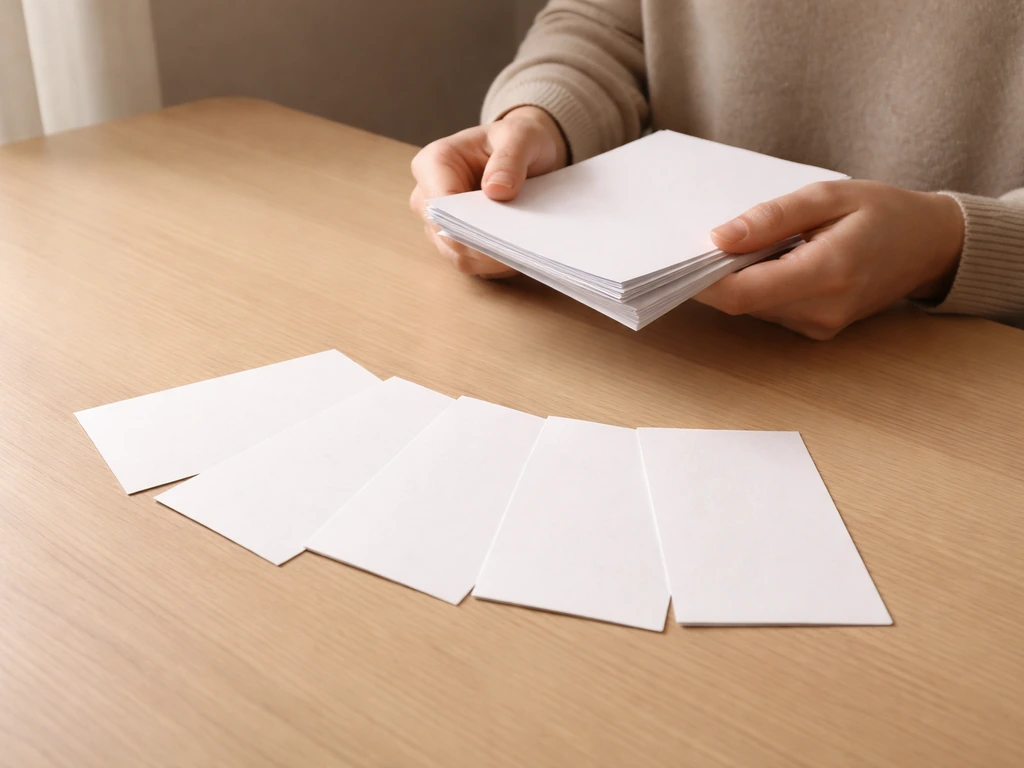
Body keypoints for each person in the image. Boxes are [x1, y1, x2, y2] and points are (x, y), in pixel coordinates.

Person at [409, 0, 1024, 339]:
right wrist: (541, 117)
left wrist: (950, 245)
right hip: (684, 343)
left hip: (965, 368)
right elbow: (604, 22)